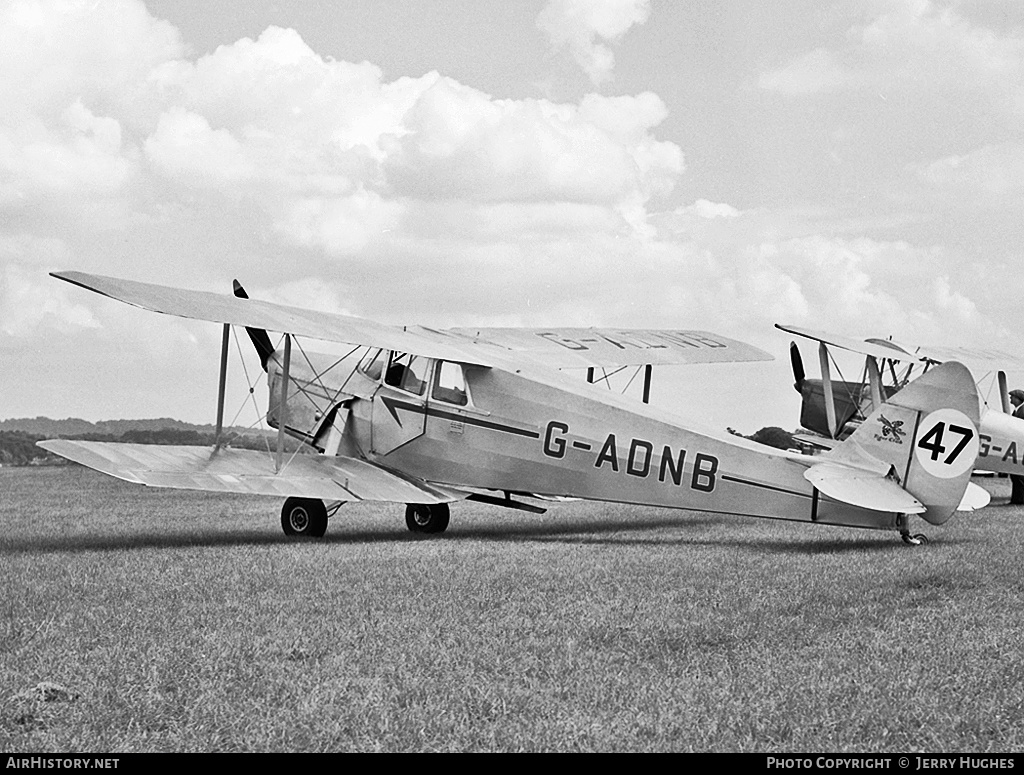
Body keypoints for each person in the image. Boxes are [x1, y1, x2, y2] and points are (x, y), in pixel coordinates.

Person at [1010, 390, 1024, 505]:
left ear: (1018, 398)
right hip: (1016, 446)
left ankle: (1020, 500)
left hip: (1021, 447)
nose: (1010, 399)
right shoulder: (1016, 411)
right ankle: (1017, 499)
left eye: (1012, 396)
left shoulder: (1022, 410)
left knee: (1019, 474)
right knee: (1015, 474)